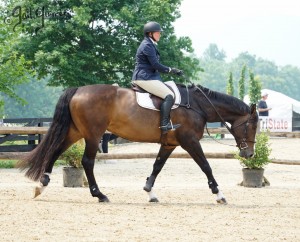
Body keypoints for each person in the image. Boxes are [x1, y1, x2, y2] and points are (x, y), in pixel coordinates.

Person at [132, 21, 183, 134]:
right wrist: (171, 70)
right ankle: (164, 124)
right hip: (144, 77)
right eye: (157, 33)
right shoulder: (147, 45)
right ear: (150, 34)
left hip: (149, 76)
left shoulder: (150, 44)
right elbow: (155, 65)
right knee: (169, 96)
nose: (160, 34)